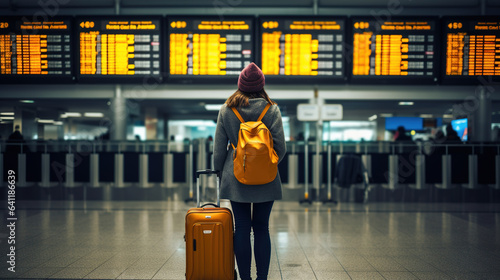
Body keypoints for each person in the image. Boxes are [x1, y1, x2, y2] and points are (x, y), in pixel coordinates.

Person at [213, 63, 286, 280]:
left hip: (236, 177)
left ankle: (245, 278)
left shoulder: (227, 109)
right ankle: (261, 278)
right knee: (262, 227)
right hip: (267, 178)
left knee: (242, 227)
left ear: (240, 85)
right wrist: (266, 164)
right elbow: (280, 148)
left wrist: (219, 172)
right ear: (261, 85)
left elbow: (219, 149)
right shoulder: (271, 109)